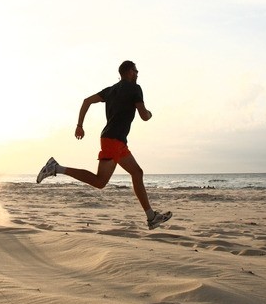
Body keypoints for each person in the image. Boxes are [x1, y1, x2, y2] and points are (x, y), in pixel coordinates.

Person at [36, 60, 172, 230]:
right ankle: (56, 168)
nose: (137, 74)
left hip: (117, 140)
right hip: (113, 140)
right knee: (100, 182)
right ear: (129, 72)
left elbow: (86, 101)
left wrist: (80, 125)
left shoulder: (110, 90)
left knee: (137, 172)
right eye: (136, 71)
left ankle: (151, 217)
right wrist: (150, 114)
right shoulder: (135, 88)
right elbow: (144, 115)